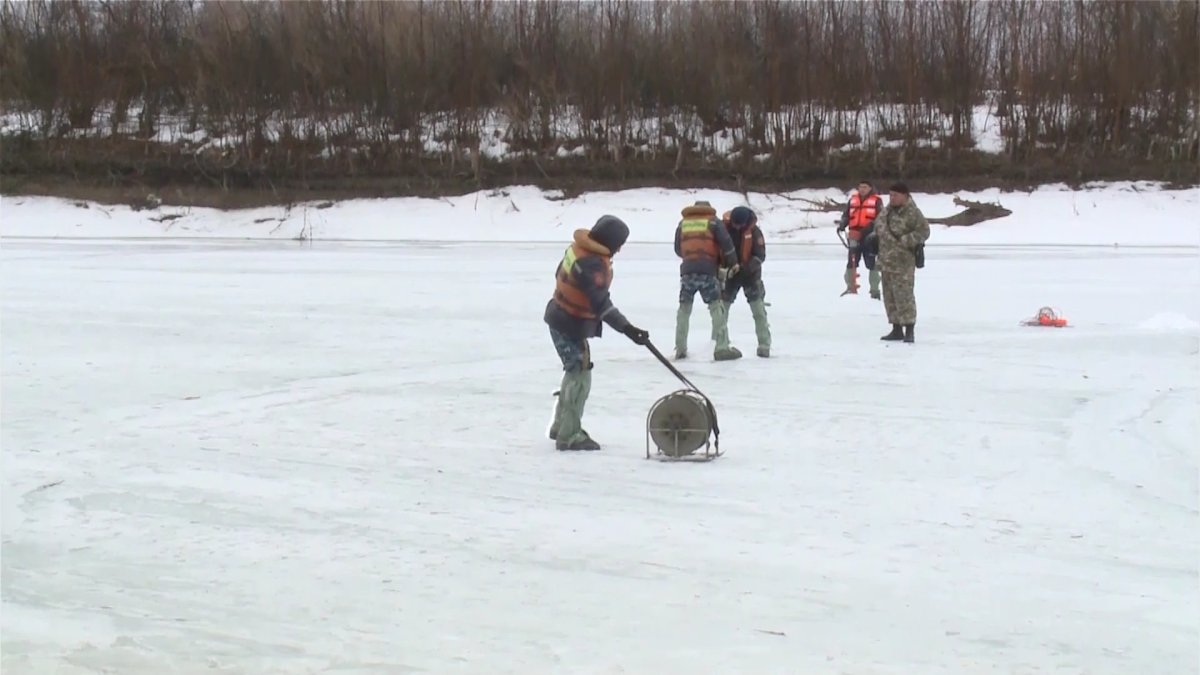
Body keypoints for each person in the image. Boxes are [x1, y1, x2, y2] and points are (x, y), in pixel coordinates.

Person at [544, 216, 649, 450]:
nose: (620, 248)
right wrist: (627, 329)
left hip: (560, 315)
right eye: (620, 243)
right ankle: (569, 435)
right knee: (580, 376)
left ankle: (560, 425)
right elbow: (601, 303)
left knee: (575, 370)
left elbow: (559, 274)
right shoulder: (592, 263)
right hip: (569, 322)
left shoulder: (578, 249)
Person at [673, 200, 741, 361]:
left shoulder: (683, 223)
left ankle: (680, 348)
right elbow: (727, 244)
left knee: (684, 309)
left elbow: (677, 248)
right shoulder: (713, 222)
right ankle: (722, 347)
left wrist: (690, 258)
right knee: (716, 307)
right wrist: (733, 263)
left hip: (687, 271)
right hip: (708, 270)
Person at [864, 183, 930, 343]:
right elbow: (878, 226)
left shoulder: (913, 213)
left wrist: (906, 240)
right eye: (890, 195)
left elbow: (924, 231)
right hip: (886, 260)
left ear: (905, 196)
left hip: (903, 262)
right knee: (890, 296)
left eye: (895, 195)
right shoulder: (886, 212)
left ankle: (909, 329)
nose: (892, 198)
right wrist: (873, 238)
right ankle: (896, 328)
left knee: (904, 296)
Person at [719, 206, 772, 358]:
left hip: (751, 276)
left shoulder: (755, 232)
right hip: (730, 275)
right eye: (734, 223)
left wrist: (745, 268)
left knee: (758, 311)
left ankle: (764, 344)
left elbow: (760, 256)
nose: (735, 226)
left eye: (738, 224)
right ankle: (720, 342)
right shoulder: (725, 229)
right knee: (722, 310)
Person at [836, 180, 885, 298]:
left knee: (872, 263)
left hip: (870, 236)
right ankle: (850, 287)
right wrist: (843, 223)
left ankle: (874, 290)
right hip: (854, 235)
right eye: (860, 187)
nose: (862, 189)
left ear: (870, 188)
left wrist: (868, 229)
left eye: (865, 187)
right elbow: (847, 215)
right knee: (851, 262)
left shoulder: (876, 201)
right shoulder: (852, 200)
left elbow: (881, 218)